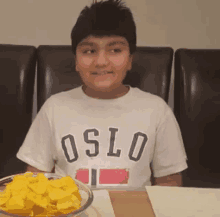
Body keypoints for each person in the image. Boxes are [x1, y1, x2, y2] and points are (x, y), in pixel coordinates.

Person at [16, 0, 188, 190]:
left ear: (130, 59)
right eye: (89, 51)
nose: (101, 61)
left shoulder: (157, 111)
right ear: (75, 60)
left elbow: (169, 181)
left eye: (115, 50)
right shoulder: (54, 108)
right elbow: (34, 177)